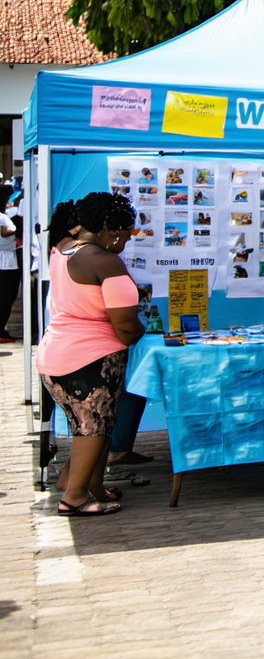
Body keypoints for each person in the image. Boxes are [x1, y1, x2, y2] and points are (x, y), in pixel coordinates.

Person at [37, 193, 143, 516]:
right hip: (89, 360)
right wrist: (143, 332)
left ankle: (84, 482)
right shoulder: (104, 262)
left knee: (93, 425)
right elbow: (125, 325)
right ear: (112, 231)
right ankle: (74, 497)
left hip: (56, 356)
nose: (127, 240)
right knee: (92, 427)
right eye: (127, 233)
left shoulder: (64, 250)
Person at [0, 184, 18, 343]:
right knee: (6, 297)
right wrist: (18, 229)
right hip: (6, 262)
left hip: (7, 260)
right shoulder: (3, 217)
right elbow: (5, 232)